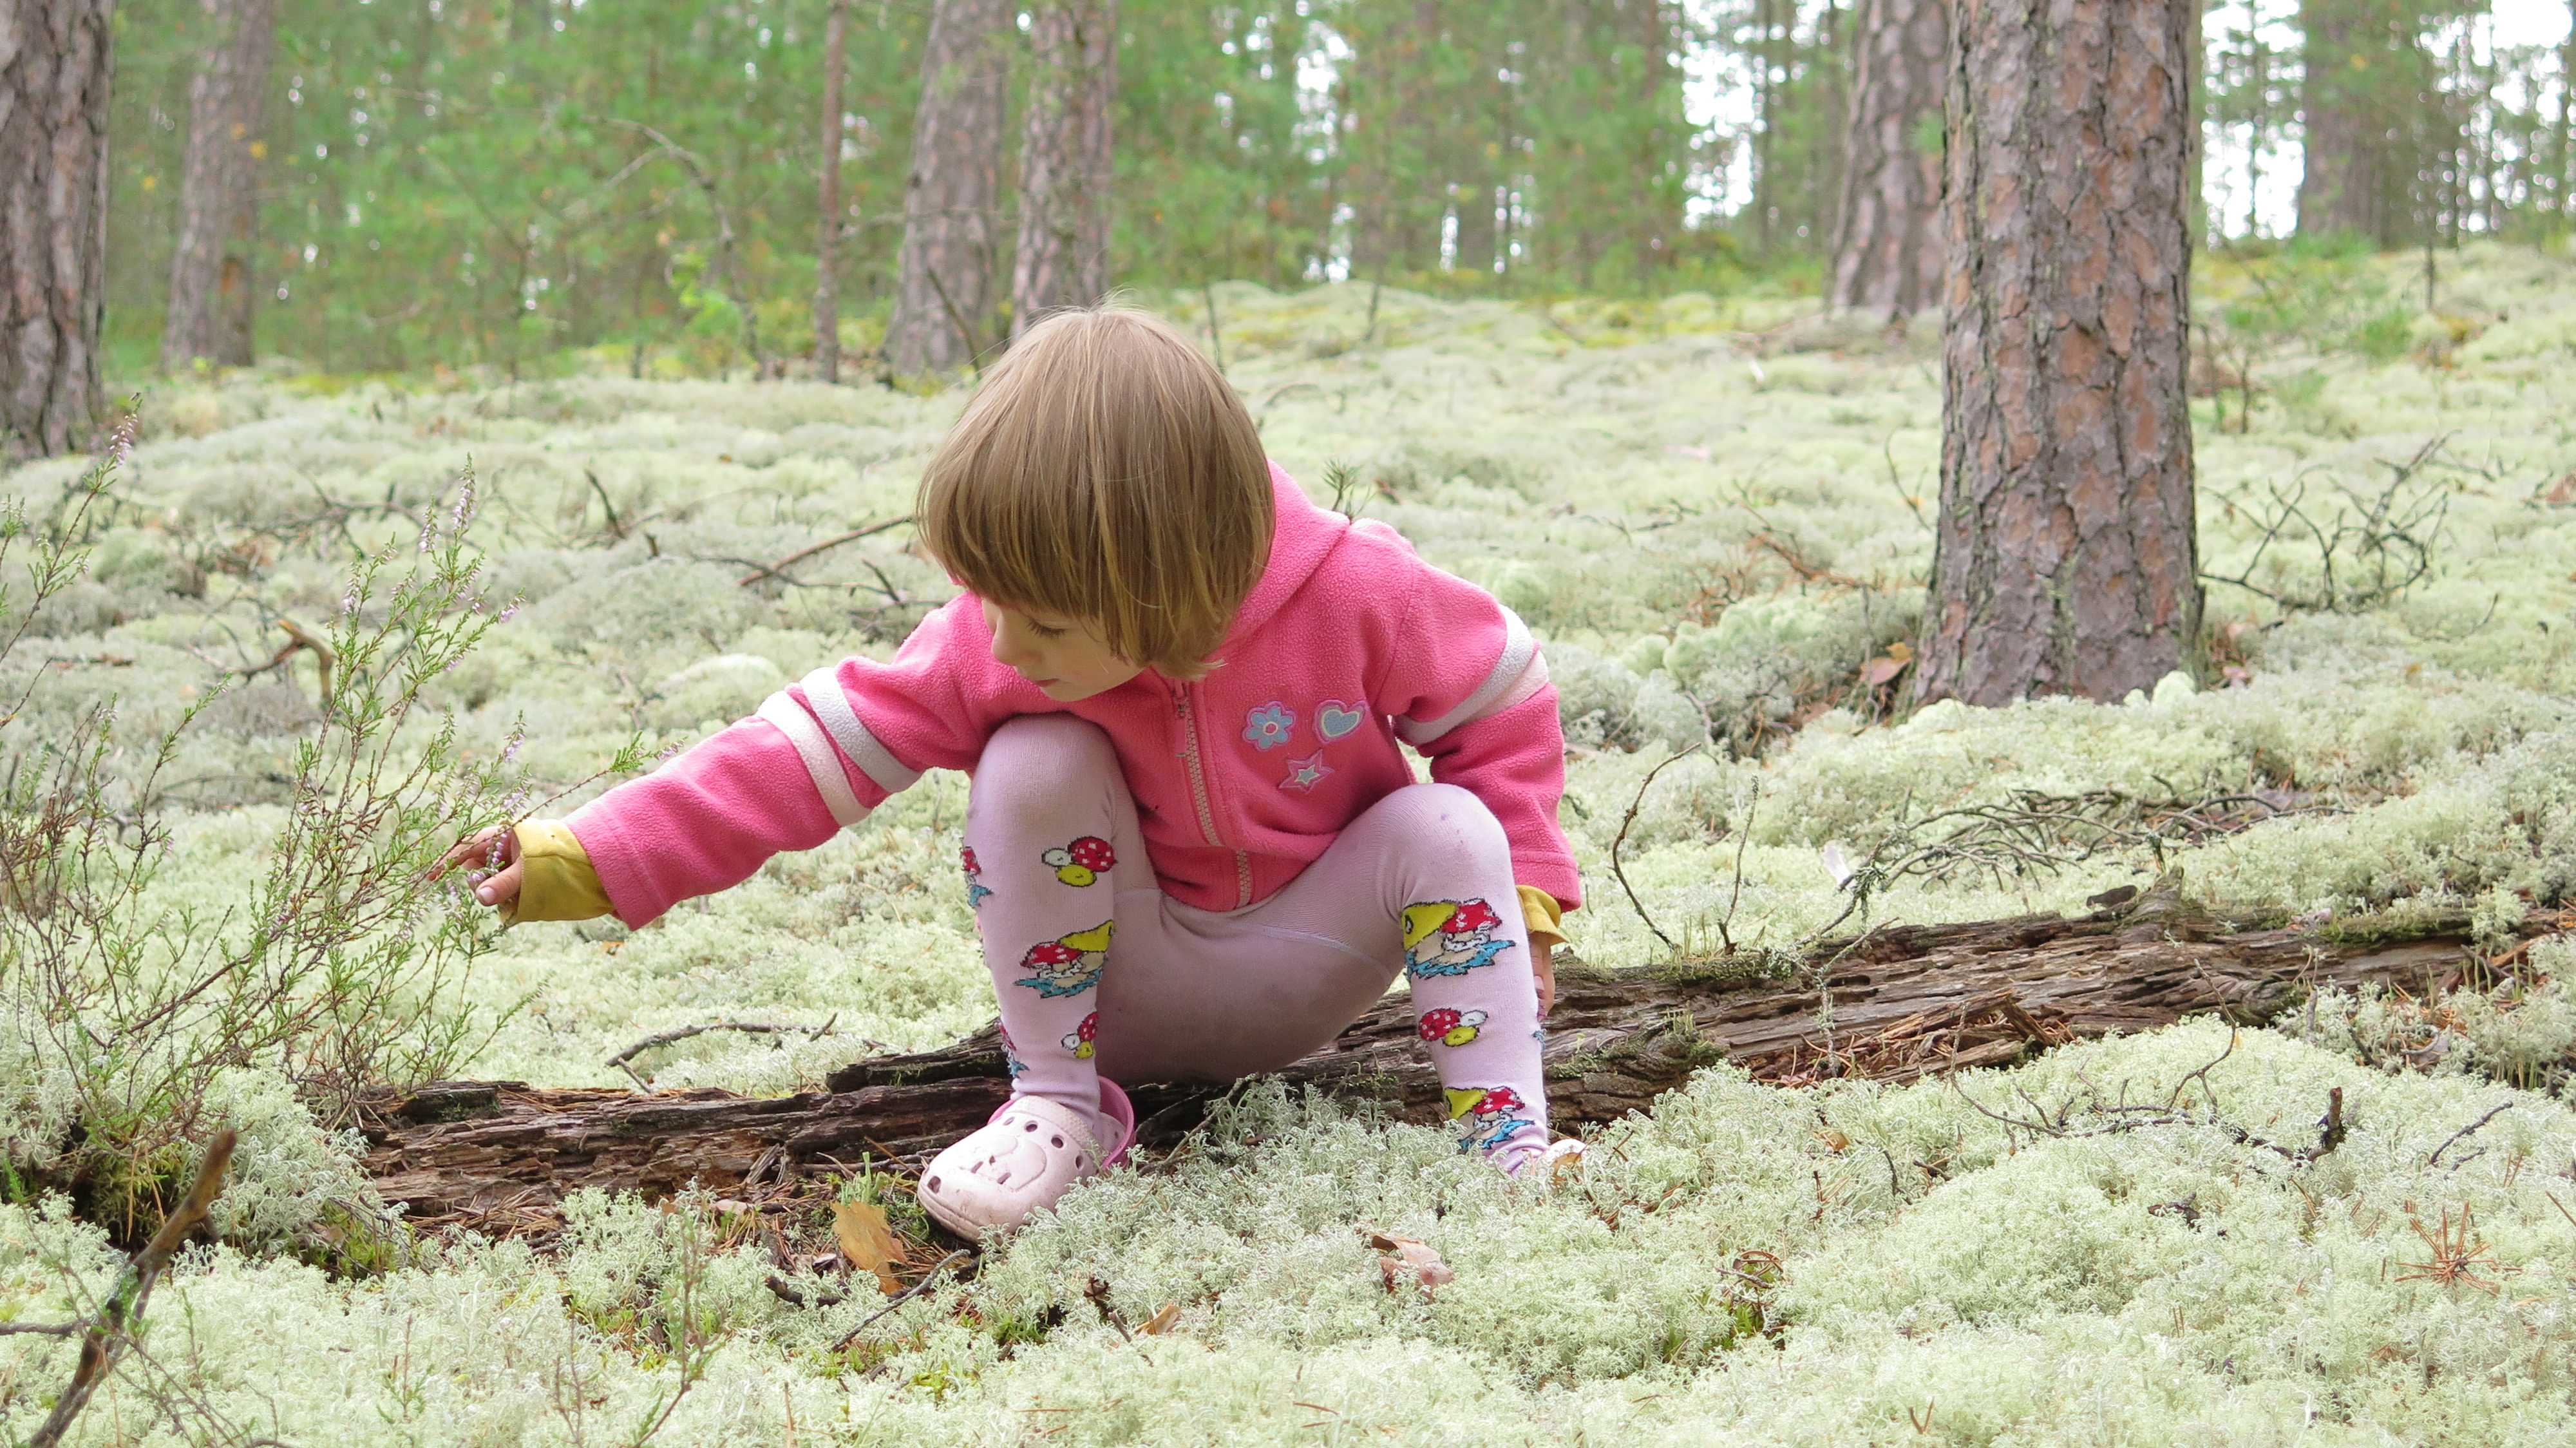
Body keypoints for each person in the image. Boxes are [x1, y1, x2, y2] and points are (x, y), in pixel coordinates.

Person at [439, 305, 1582, 1237]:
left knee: (1450, 827)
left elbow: (1505, 698)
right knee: (1033, 755)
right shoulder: (1001, 646)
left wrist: (1526, 898)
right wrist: (581, 857)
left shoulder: (1355, 593)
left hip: (1315, 959)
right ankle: (1057, 1114)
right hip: (1112, 992)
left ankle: (1506, 1152)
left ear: (1164, 588)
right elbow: (802, 754)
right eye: (991, 607)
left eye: (1038, 620)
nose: (999, 646)